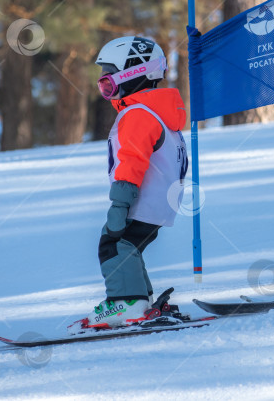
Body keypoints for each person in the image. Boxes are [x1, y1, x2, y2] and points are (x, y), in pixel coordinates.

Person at [69, 36, 188, 333]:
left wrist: (120, 203)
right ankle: (141, 302)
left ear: (133, 73)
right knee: (130, 247)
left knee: (113, 244)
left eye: (108, 76)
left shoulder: (137, 114)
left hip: (142, 199)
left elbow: (132, 162)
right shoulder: (158, 114)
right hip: (161, 201)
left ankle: (126, 302)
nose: (104, 84)